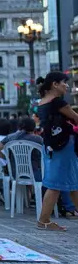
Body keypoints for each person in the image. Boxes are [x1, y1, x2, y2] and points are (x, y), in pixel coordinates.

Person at [33, 72, 78, 231]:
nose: (67, 86)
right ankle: (43, 219)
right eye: (64, 82)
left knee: (68, 182)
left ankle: (44, 220)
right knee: (59, 183)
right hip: (64, 145)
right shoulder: (58, 102)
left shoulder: (41, 102)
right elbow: (76, 118)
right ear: (55, 84)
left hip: (50, 145)